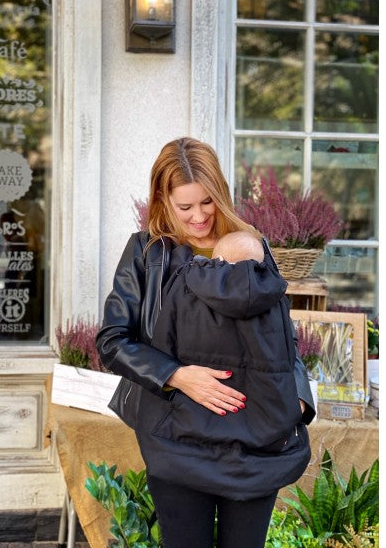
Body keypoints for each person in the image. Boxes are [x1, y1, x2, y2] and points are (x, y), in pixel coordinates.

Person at [96, 137, 315, 548]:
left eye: (207, 202)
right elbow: (112, 340)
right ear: (163, 199)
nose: (198, 217)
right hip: (176, 441)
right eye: (185, 207)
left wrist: (297, 400)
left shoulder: (252, 245)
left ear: (221, 194)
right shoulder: (146, 253)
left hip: (254, 441)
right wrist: (176, 375)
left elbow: (284, 338)